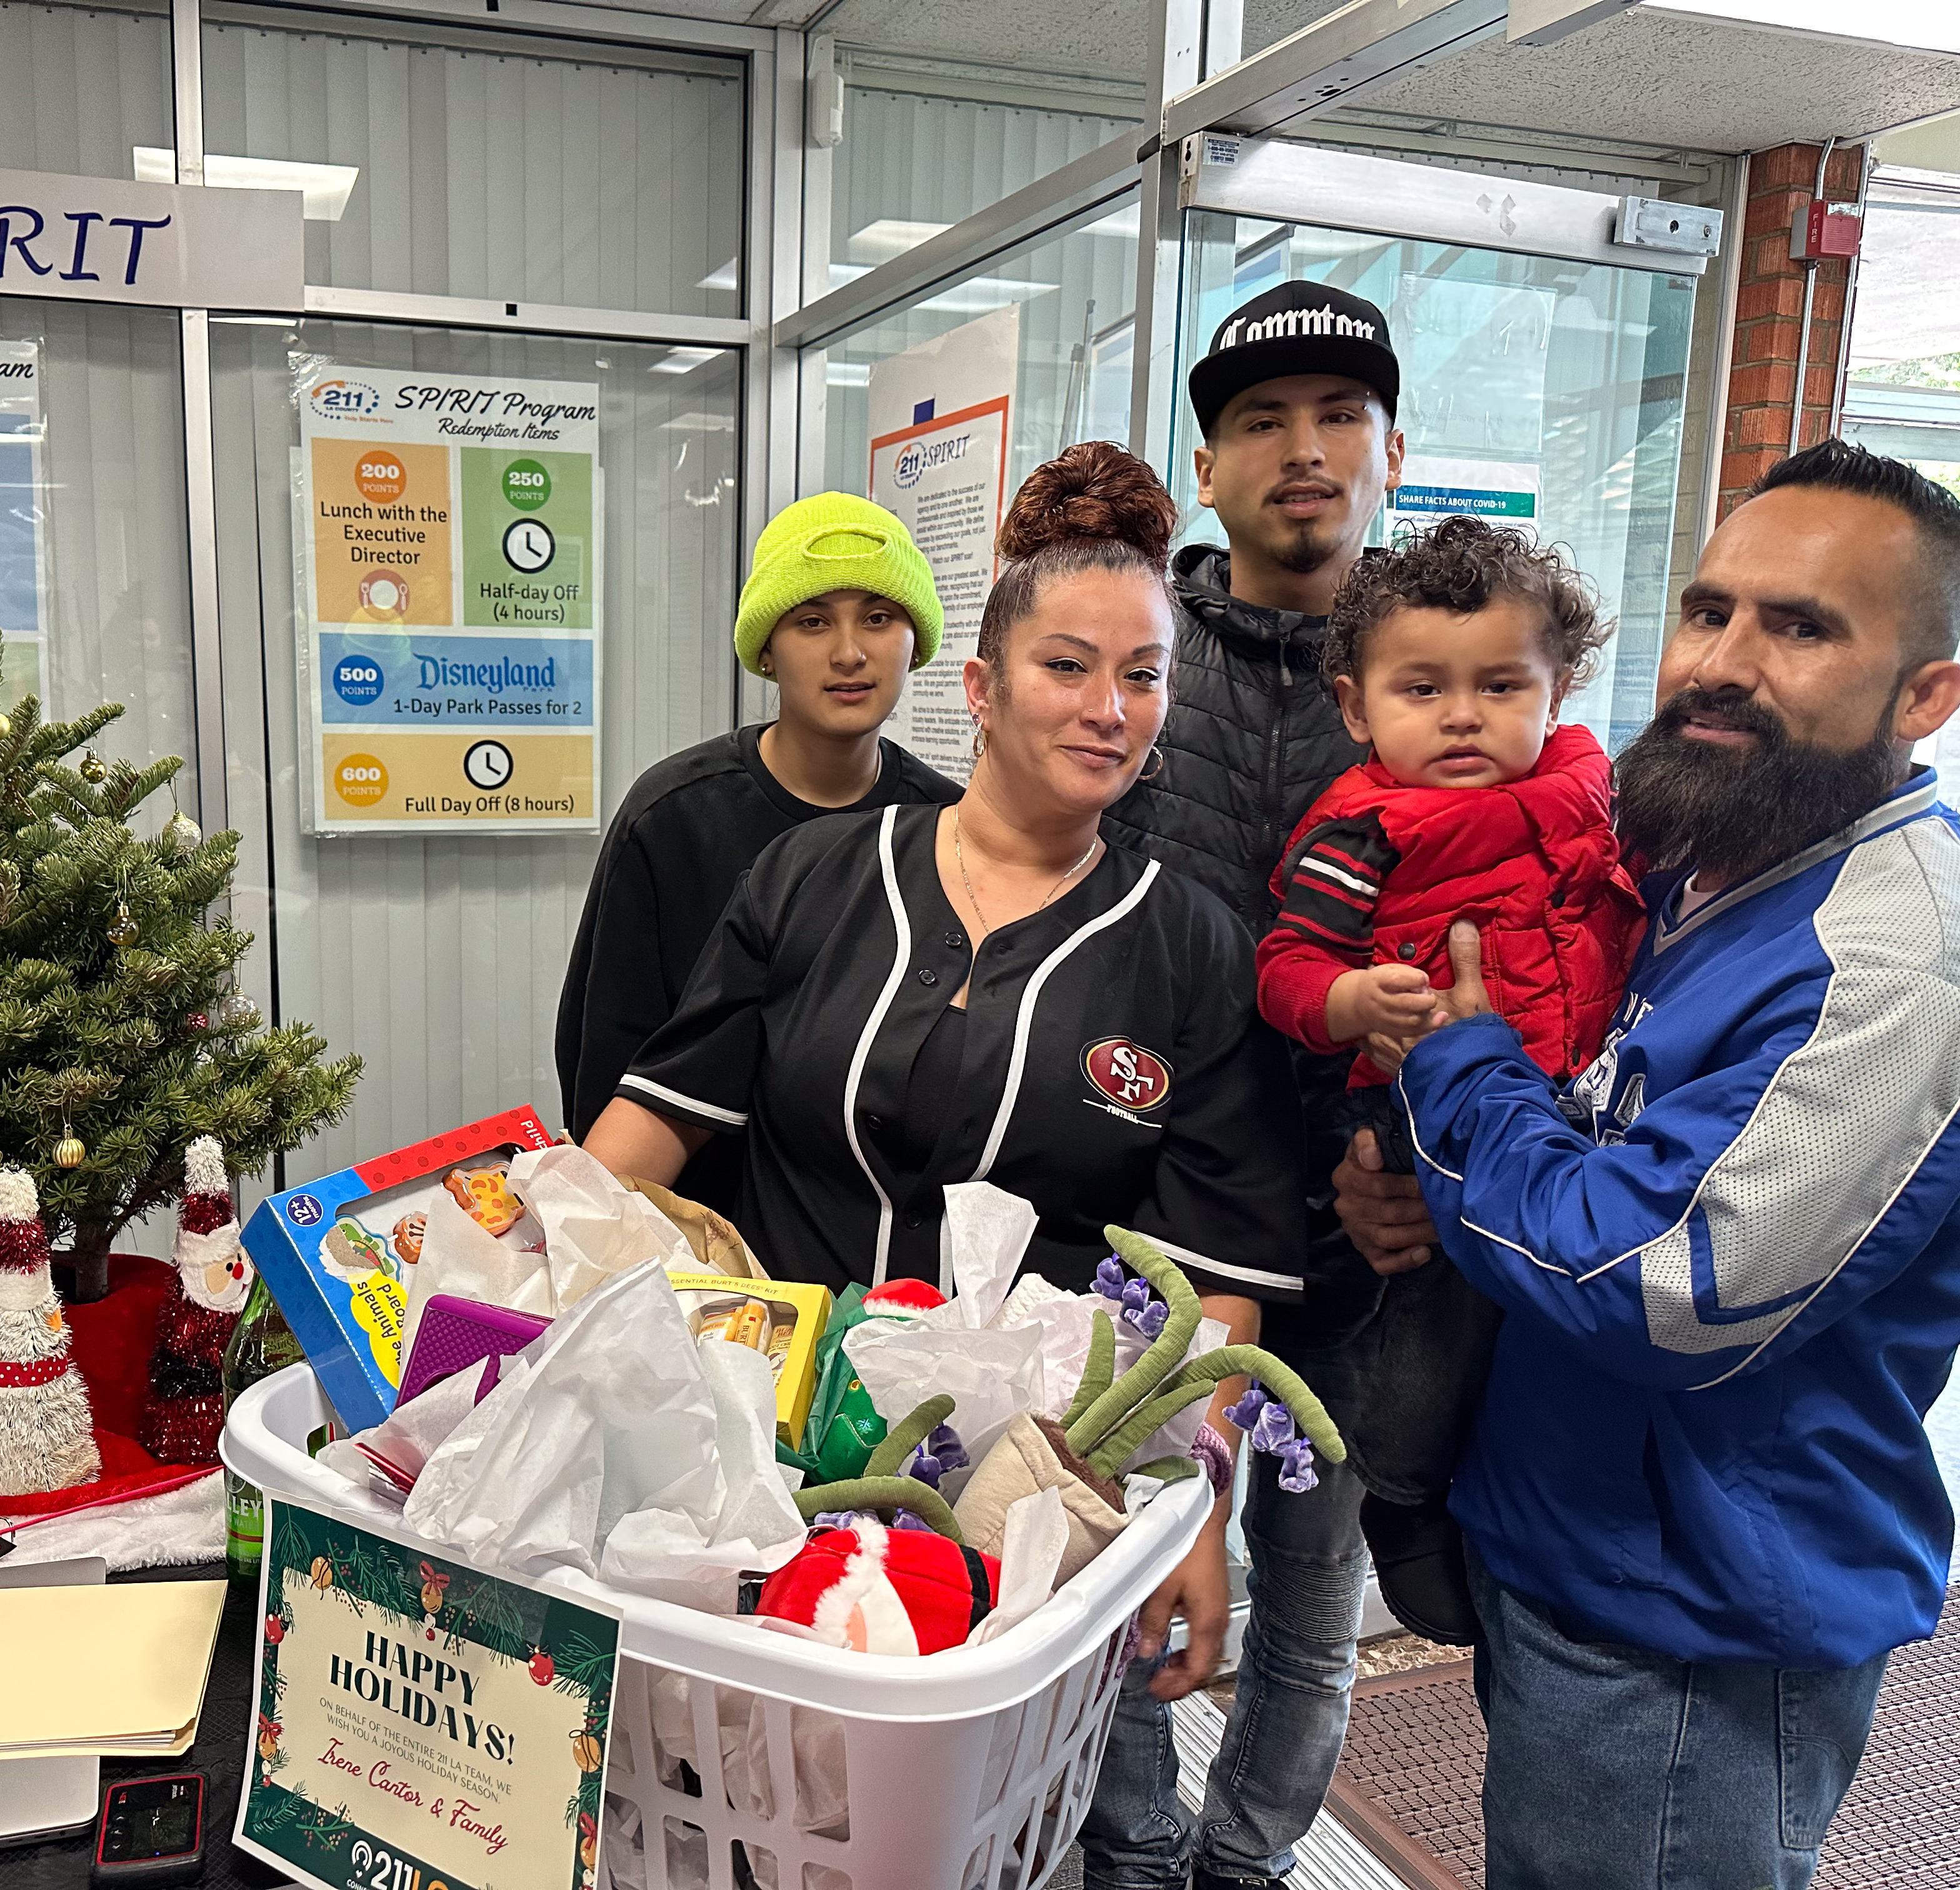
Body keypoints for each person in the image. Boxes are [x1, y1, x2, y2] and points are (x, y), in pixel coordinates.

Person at [584, 441, 1306, 1699]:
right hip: (759, 1443)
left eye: (1142, 677)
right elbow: (653, 1122)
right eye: (1067, 668)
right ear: (980, 685)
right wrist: (544, 1301)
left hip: (1026, 1499)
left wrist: (1197, 1507)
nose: (1110, 709)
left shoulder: (1189, 948)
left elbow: (1221, 1277)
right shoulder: (816, 878)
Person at [1336, 439, 1960, 1890]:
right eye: (1710, 609)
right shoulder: (1713, 849)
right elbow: (1595, 1135)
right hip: (1579, 1544)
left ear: (1927, 693)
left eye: (1801, 627)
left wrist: (1458, 1075)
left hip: (1697, 1621)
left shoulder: (1892, 958)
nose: (1722, 662)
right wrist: (1424, 1186)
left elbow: (1666, 1280)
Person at [1088, 281, 1404, 1890]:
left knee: (1313, 1596)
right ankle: (1132, 1857)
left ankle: (1252, 1863)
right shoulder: (1139, 666)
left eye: (1339, 416)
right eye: (1264, 422)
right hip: (1150, 1239)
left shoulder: (1448, 674)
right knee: (1128, 1564)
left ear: (1391, 453)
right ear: (1206, 471)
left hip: (1362, 1253)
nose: (1306, 451)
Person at [1252, 516, 1641, 1639]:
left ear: (1557, 687)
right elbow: (1284, 966)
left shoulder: (1600, 798)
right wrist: (1350, 1003)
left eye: (1499, 684)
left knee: (1553, 1327)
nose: (1462, 715)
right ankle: (1406, 1489)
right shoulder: (1361, 828)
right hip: (1426, 1118)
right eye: (1421, 688)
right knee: (1443, 1307)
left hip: (1584, 1111)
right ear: (1354, 705)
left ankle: (1502, 1502)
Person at [555, 491, 958, 1216]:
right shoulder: (676, 815)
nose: (849, 652)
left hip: (874, 1241)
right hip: (690, 1225)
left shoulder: (944, 826)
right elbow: (602, 1053)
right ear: (767, 649)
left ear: (916, 639)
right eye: (812, 621)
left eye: (878, 616)